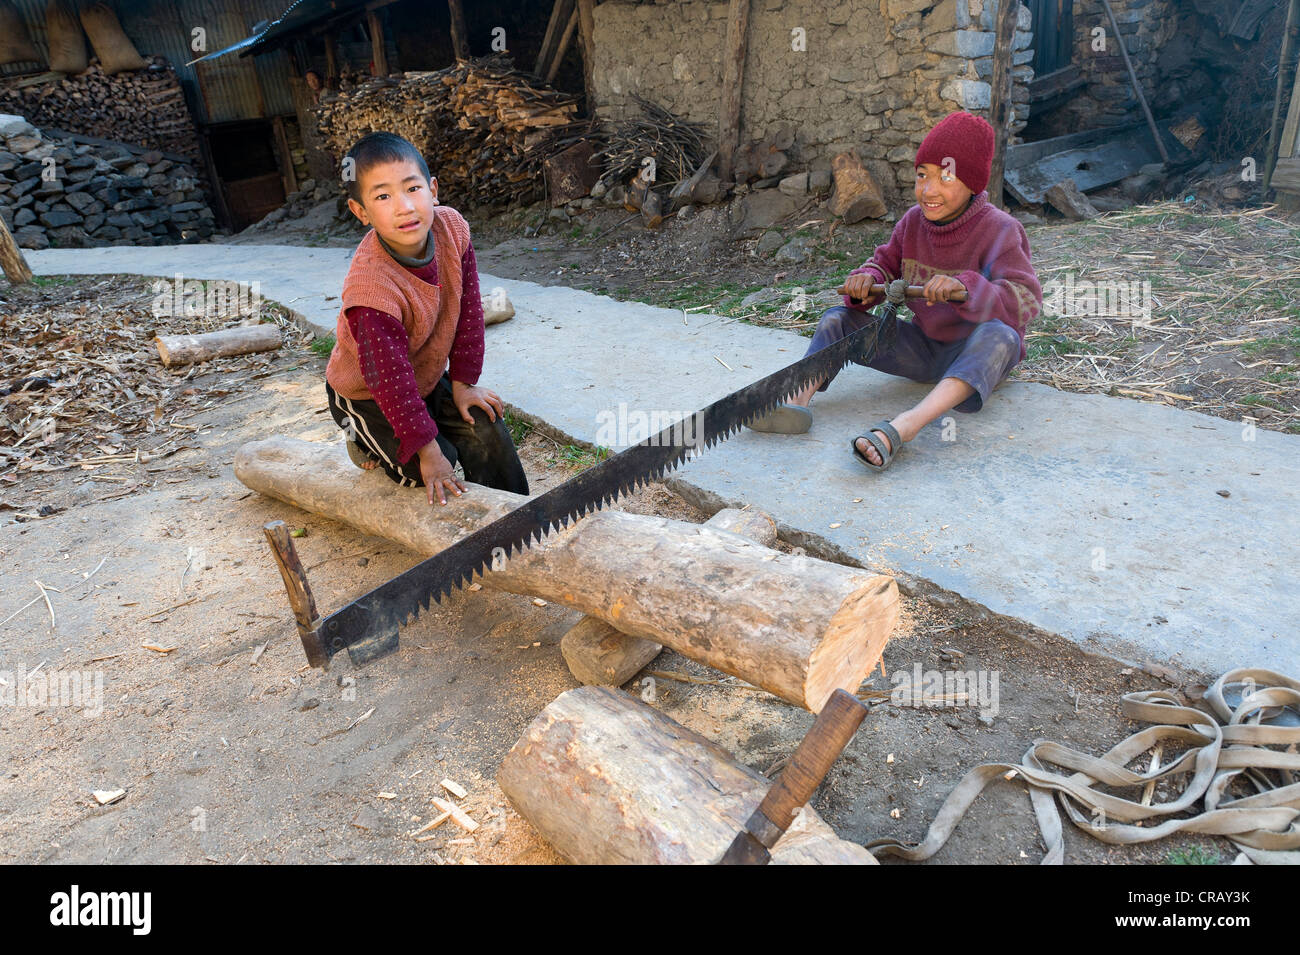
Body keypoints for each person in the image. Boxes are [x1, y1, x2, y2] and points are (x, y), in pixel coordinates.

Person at [747, 111, 1042, 471]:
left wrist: (966, 287)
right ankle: (796, 400)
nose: (929, 190)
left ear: (973, 183)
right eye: (922, 176)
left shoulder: (1000, 230)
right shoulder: (913, 223)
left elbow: (1026, 300)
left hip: (977, 356)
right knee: (838, 318)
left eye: (945, 178)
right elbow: (883, 265)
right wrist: (865, 281)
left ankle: (904, 427)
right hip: (924, 350)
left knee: (1003, 336)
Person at [324, 131, 528, 504]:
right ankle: (361, 439)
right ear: (361, 212)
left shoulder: (451, 230)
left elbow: (467, 312)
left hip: (423, 375)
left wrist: (465, 384)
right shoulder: (371, 291)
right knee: (426, 468)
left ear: (433, 190)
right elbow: (389, 382)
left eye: (412, 188)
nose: (404, 206)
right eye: (383, 196)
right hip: (370, 393)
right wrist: (428, 450)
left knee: (485, 426)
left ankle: (515, 516)